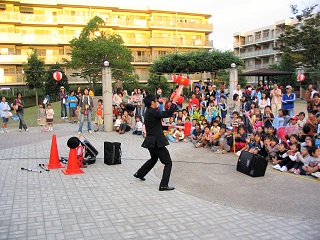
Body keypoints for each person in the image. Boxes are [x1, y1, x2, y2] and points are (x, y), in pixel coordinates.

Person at [133, 93, 179, 191]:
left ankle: (140, 173)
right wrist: (174, 102)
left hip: (150, 141)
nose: (158, 102)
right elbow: (167, 114)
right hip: (156, 142)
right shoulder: (153, 111)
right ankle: (163, 185)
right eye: (156, 100)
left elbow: (156, 124)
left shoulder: (149, 111)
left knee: (153, 159)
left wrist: (168, 126)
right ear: (152, 103)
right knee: (168, 162)